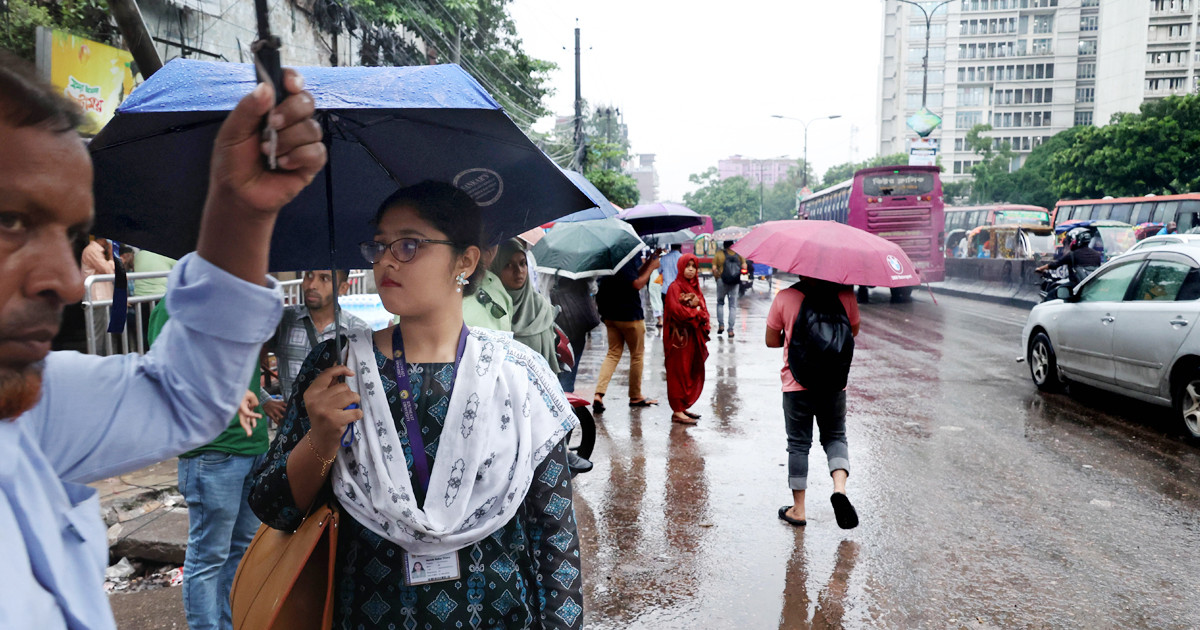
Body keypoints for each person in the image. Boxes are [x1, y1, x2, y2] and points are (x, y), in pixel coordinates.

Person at [0, 53, 326, 627]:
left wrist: (241, 212)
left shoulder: (27, 414)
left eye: (74, 235)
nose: (71, 283)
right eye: (9, 221)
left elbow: (182, 396)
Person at [249, 181, 583, 629]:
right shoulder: (337, 367)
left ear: (465, 260)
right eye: (380, 245)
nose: (385, 260)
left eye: (409, 245)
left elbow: (554, 537)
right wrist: (321, 438)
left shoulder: (519, 376)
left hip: (499, 617)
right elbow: (274, 509)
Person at [146, 302, 267, 630]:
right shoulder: (177, 303)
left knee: (241, 555)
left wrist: (263, 399)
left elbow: (245, 371)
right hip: (211, 452)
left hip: (252, 445)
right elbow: (166, 371)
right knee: (208, 558)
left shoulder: (243, 299)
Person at [765, 277, 861, 530]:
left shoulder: (785, 297)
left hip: (797, 382)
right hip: (834, 382)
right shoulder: (845, 295)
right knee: (835, 437)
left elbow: (771, 340)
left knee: (798, 444)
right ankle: (839, 489)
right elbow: (853, 332)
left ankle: (799, 509)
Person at [260, 269, 367, 422]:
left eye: (324, 279)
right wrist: (265, 400)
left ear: (343, 288)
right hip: (291, 432)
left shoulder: (358, 331)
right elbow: (247, 364)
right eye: (309, 276)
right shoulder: (283, 321)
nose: (312, 285)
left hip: (340, 432)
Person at [592, 250, 661, 412]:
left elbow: (633, 275)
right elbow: (636, 283)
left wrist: (649, 262)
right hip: (630, 316)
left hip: (610, 314)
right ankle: (636, 396)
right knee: (637, 355)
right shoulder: (625, 256)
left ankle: (599, 394)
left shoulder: (608, 258)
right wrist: (651, 269)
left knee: (613, 353)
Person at [492, 238, 559, 372]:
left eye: (523, 264)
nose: (519, 271)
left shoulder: (540, 308)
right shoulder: (489, 308)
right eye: (508, 265)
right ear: (496, 268)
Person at [663, 255, 710, 425]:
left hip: (693, 338)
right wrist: (696, 312)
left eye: (694, 266)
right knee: (678, 371)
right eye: (687, 266)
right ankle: (677, 410)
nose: (690, 269)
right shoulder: (674, 288)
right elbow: (678, 312)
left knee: (689, 370)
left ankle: (682, 407)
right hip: (678, 339)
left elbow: (704, 310)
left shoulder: (696, 287)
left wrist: (698, 311)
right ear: (680, 267)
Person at [550, 276, 600, 393]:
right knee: (571, 366)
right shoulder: (582, 264)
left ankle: (558, 399)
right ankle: (567, 399)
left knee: (556, 365)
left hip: (557, 319)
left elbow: (543, 288)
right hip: (578, 320)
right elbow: (593, 289)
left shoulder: (549, 265)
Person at [463, 241, 514, 332]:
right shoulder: (449, 288)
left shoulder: (495, 282)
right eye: (484, 240)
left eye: (495, 239)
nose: (491, 248)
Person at [80, 236, 115, 353]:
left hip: (104, 299)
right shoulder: (92, 251)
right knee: (98, 335)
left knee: (107, 334)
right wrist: (111, 255)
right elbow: (108, 270)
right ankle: (96, 359)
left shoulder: (97, 251)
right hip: (97, 299)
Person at [1036, 227, 1102, 287]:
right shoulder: (1097, 255)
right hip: (1093, 286)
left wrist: (1041, 268)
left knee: (1052, 294)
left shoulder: (1073, 255)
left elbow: (1055, 264)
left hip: (1076, 286)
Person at [712, 240, 743, 337]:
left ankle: (721, 325)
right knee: (732, 305)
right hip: (735, 282)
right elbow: (744, 266)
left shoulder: (719, 254)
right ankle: (730, 330)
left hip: (722, 281)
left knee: (720, 303)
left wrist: (717, 278)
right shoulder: (739, 254)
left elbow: (714, 268)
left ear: (724, 245)